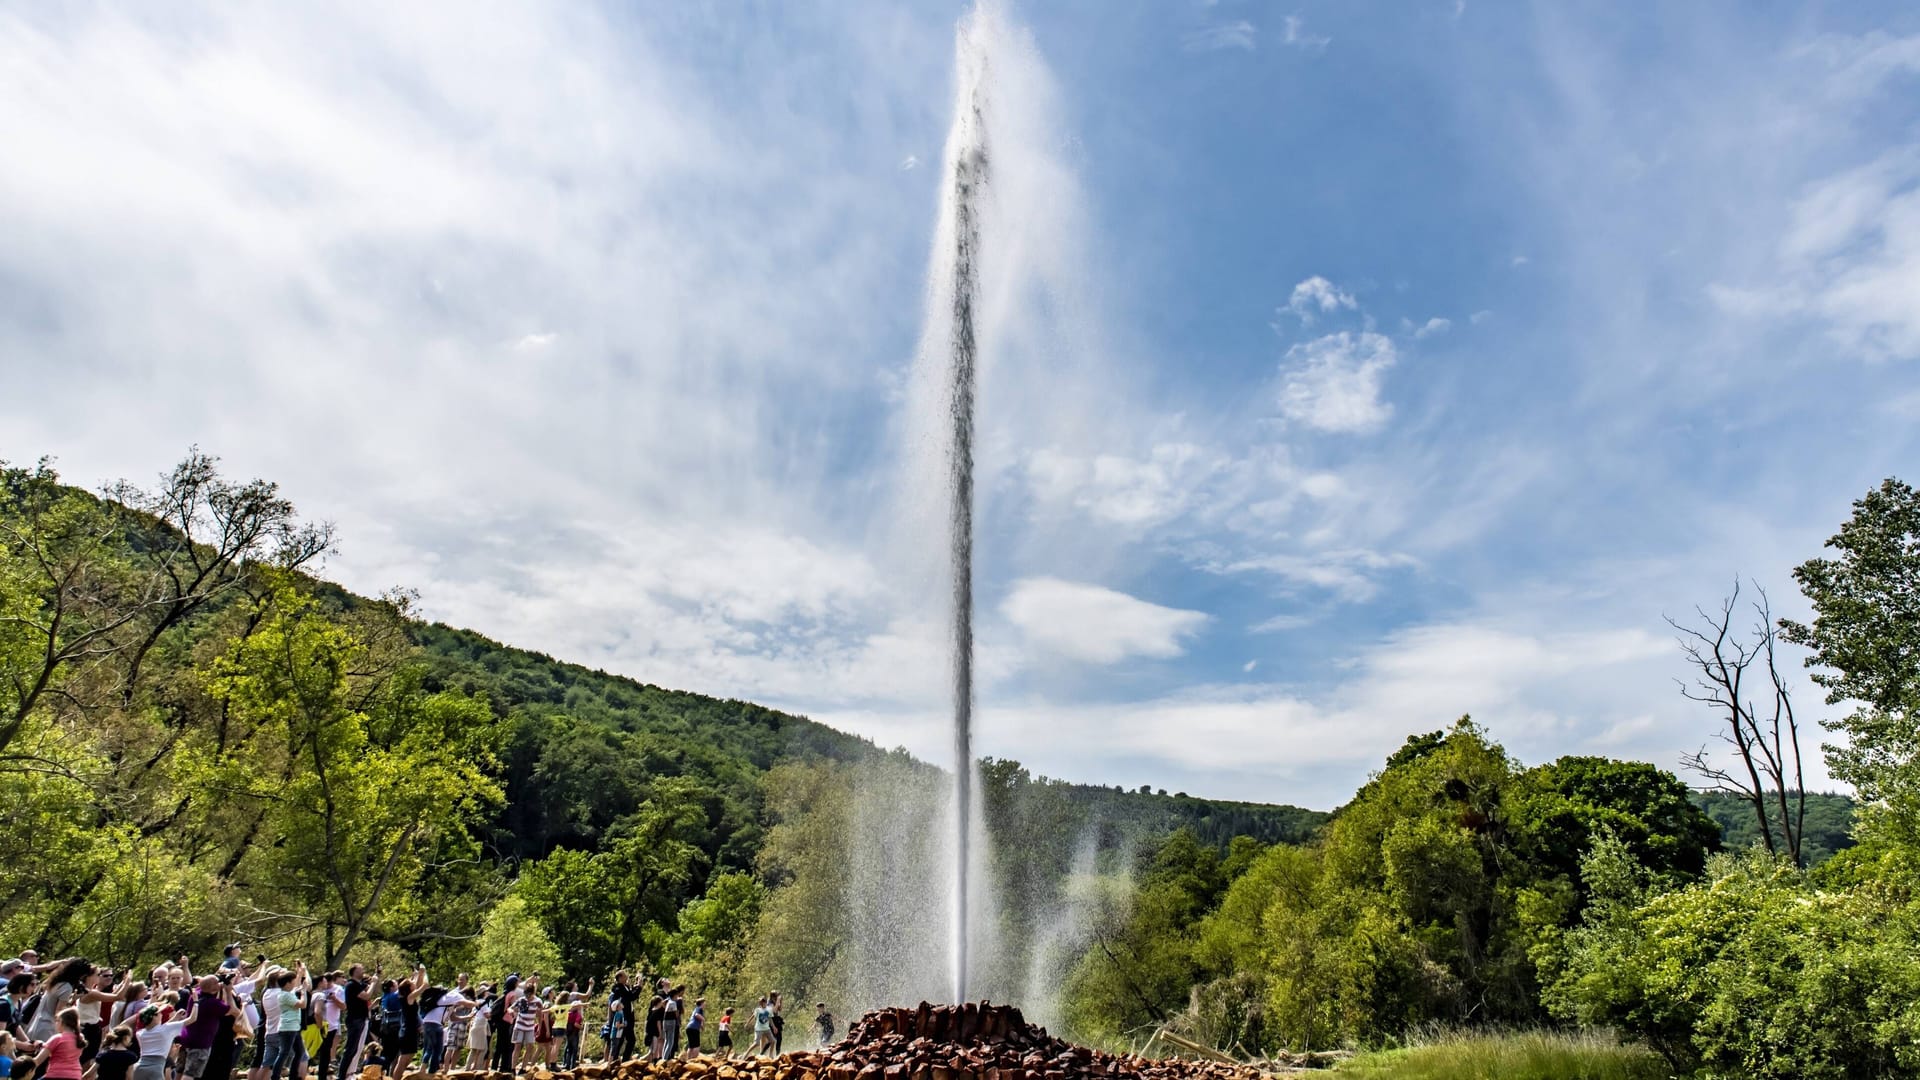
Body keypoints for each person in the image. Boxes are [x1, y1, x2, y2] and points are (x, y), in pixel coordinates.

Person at [130, 1004, 195, 1080]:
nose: (161, 1014)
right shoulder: (165, 1030)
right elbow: (192, 1019)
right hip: (155, 1070)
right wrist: (196, 1002)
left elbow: (162, 1029)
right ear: (153, 1017)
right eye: (159, 1013)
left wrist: (175, 1018)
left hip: (138, 1068)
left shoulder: (140, 1033)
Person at [332, 966, 372, 1080]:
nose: (363, 971)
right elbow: (366, 996)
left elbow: (369, 991)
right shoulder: (351, 985)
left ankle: (349, 1073)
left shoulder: (358, 985)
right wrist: (373, 982)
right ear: (354, 972)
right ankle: (342, 1075)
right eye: (360, 969)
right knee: (350, 1048)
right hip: (355, 1019)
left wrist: (376, 978)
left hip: (361, 1019)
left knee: (356, 1048)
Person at [265, 970, 306, 1080]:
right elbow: (302, 1004)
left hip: (294, 1027)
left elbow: (296, 985)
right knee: (284, 1052)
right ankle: (275, 1076)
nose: (294, 983)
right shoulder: (284, 995)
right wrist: (304, 993)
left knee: (299, 1052)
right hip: (288, 1028)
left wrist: (300, 972)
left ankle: (293, 1075)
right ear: (287, 983)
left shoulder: (289, 993)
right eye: (292, 981)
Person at [768, 992, 784, 1056]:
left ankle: (778, 1054)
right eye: (775, 996)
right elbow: (774, 1011)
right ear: (772, 997)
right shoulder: (770, 1003)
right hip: (772, 1022)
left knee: (779, 1039)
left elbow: (780, 1009)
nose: (776, 997)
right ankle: (763, 1052)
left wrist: (781, 1002)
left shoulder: (775, 1002)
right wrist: (777, 1001)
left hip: (777, 1021)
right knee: (772, 1039)